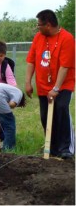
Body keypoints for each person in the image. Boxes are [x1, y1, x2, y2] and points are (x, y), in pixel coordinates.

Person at [25, 9, 75, 159]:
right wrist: (28, 82)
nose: (37, 28)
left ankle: (65, 148)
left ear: (48, 25)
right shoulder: (38, 37)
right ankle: (51, 148)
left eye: (39, 25)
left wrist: (56, 88)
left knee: (61, 109)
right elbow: (31, 60)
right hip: (43, 85)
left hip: (63, 84)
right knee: (45, 116)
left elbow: (65, 66)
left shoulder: (67, 38)